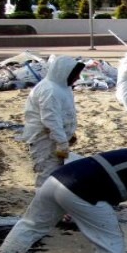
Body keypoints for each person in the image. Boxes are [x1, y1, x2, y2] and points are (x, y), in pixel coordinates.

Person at [19, 55, 85, 188]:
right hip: (44, 140)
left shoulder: (62, 87)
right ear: (65, 73)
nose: (78, 78)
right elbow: (50, 120)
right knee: (47, 173)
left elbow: (63, 115)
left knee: (57, 173)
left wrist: (68, 135)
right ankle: (42, 205)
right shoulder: (50, 90)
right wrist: (62, 142)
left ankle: (52, 204)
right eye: (76, 74)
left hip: (54, 138)